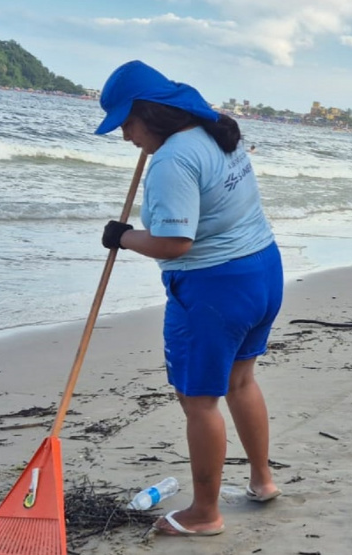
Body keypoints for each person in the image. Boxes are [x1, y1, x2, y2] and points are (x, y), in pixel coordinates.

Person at [94, 60, 283, 537]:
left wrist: (123, 237)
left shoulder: (173, 161)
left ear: (150, 114)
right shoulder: (215, 130)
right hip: (263, 269)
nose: (126, 137)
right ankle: (262, 480)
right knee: (240, 380)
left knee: (198, 401)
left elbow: (177, 243)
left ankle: (204, 514)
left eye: (128, 124)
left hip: (215, 288)